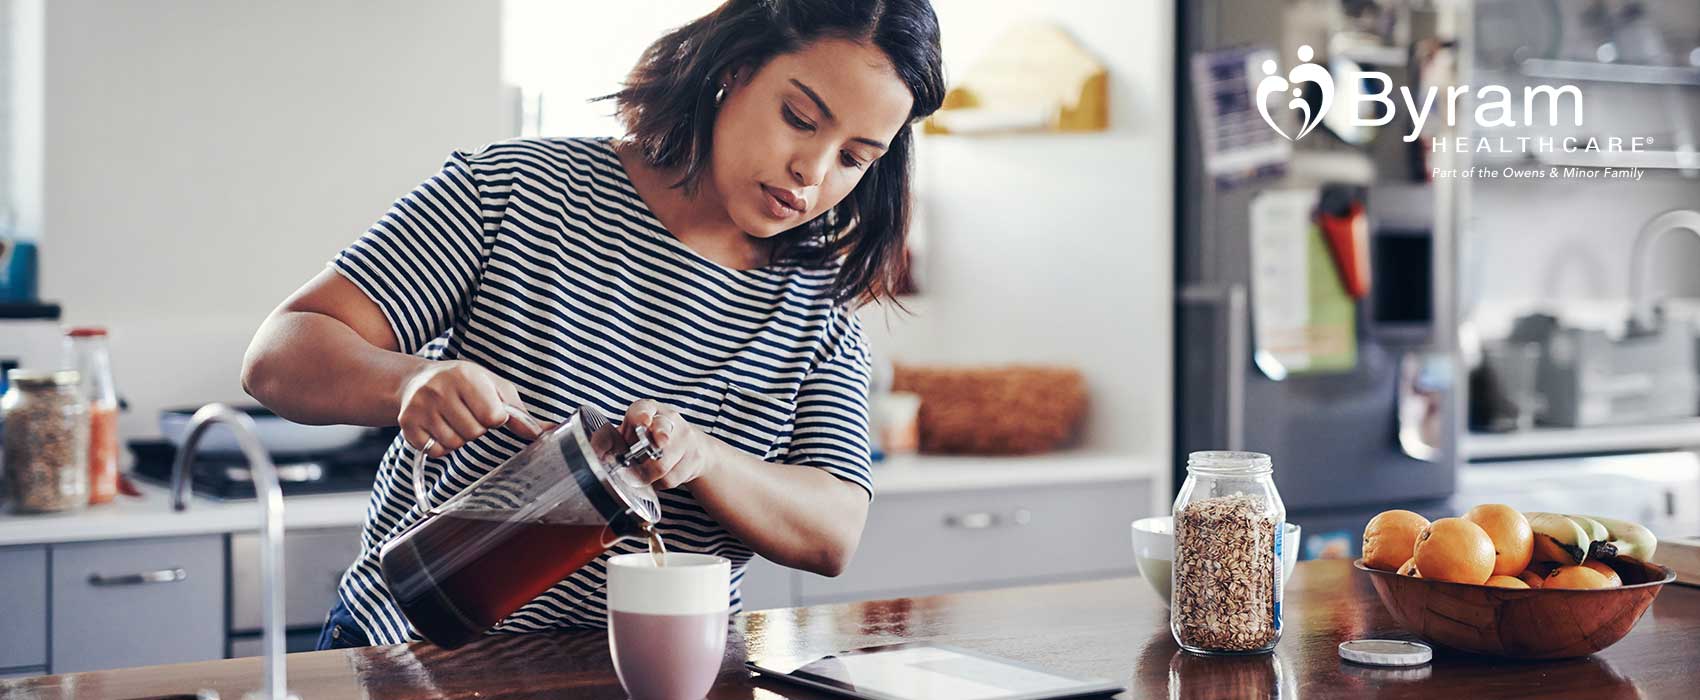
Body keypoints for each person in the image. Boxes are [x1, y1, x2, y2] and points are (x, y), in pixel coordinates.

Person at [239, 0, 945, 649]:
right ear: (735, 70)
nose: (811, 173)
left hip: (656, 671)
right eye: (799, 117)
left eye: (854, 157)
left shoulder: (819, 304)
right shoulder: (521, 191)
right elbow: (280, 353)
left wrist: (703, 458)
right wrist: (408, 381)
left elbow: (833, 531)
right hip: (412, 654)